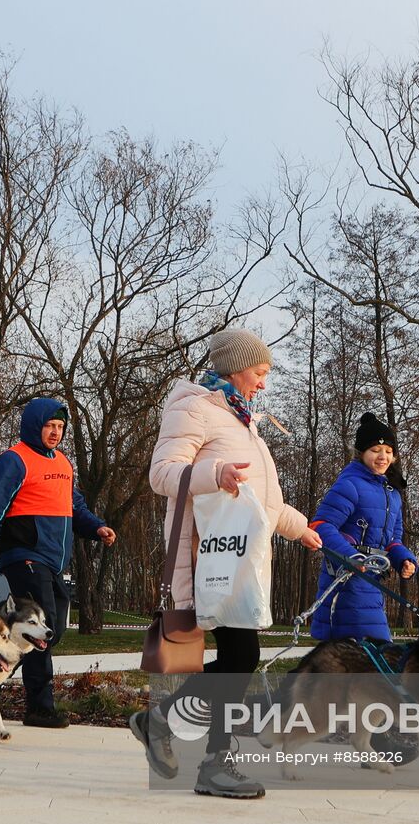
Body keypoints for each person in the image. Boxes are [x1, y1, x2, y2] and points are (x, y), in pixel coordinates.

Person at [129, 328, 322, 799]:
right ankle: (201, 752)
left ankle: (173, 733)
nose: (264, 383)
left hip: (239, 558)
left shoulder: (243, 420)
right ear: (235, 366)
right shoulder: (194, 406)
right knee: (241, 656)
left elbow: (262, 502)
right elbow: (161, 474)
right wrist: (214, 474)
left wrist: (302, 529)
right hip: (208, 556)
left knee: (239, 657)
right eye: (260, 372)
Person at [0, 398, 116, 728]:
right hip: (24, 555)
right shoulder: (14, 461)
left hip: (52, 561)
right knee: (41, 628)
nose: (55, 433)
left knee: (50, 631)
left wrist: (96, 526)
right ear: (34, 426)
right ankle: (39, 707)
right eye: (49, 426)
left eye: (60, 428)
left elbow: (75, 507)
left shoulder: (63, 463)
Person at [308, 412, 418, 642]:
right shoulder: (350, 484)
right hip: (345, 581)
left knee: (371, 657)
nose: (383, 457)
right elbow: (320, 525)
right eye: (376, 451)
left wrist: (405, 560)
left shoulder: (393, 494)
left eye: (388, 452)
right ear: (362, 453)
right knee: (366, 653)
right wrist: (351, 557)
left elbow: (393, 541)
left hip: (372, 583)